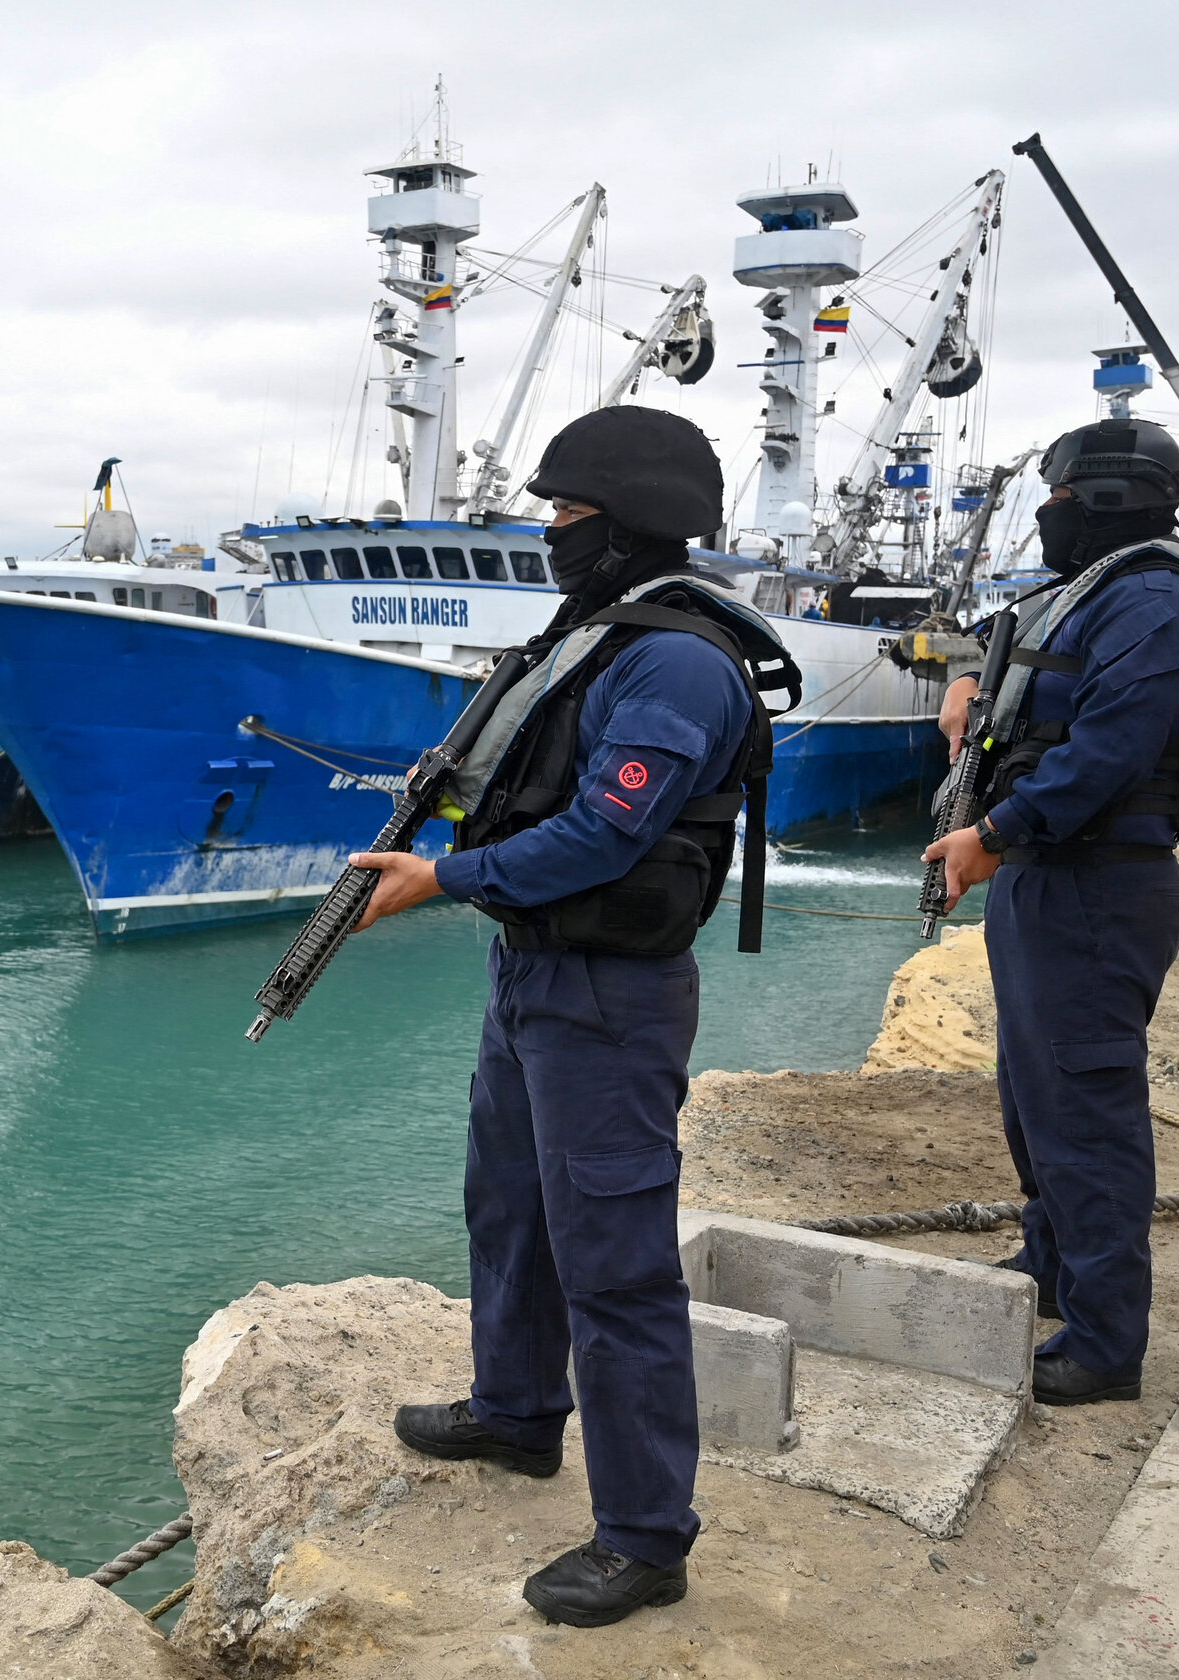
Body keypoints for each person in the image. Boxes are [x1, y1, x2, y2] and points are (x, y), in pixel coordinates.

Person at [349, 406, 789, 1629]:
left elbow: (609, 831)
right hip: (535, 973)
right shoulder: (594, 635)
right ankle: (515, 1410)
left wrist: (442, 879)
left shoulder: (675, 661)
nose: (550, 531)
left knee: (618, 1265)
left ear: (622, 521)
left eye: (565, 512)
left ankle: (646, 1537)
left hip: (611, 994)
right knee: (510, 1205)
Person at [924, 418, 1179, 1408]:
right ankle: (1051, 1267)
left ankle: (1106, 1344)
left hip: (1099, 882)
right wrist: (968, 681)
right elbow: (1017, 652)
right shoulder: (1094, 591)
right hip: (1045, 877)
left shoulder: (1155, 601)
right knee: (1035, 1099)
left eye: (1058, 502)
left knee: (1088, 1114)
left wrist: (991, 836)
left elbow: (1107, 754)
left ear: (1099, 500)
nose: (1049, 519)